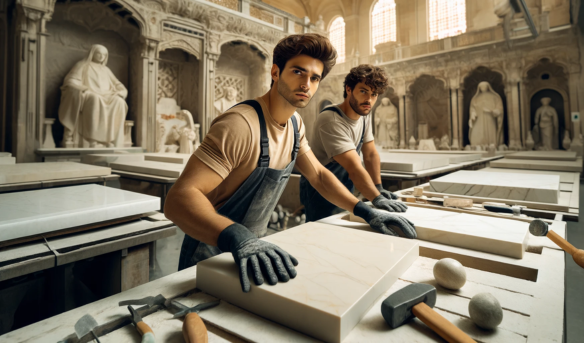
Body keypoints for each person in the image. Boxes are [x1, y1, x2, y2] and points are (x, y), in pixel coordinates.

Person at [164, 34, 416, 294]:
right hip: (211, 250)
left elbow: (318, 175)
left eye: (315, 78)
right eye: (298, 72)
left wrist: (364, 209)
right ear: (275, 72)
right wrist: (237, 237)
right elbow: (179, 200)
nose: (306, 84)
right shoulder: (240, 124)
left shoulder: (295, 125)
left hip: (255, 250)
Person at [300, 64, 409, 222]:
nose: (369, 100)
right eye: (363, 91)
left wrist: (378, 187)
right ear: (349, 89)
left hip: (344, 185)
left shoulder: (363, 114)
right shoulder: (330, 119)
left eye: (374, 94)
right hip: (320, 191)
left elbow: (370, 154)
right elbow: (354, 167)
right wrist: (376, 198)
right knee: (322, 235)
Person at [58, 44, 128, 148]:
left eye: (104, 54)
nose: (101, 56)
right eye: (98, 53)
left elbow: (118, 84)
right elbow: (70, 80)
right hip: (89, 94)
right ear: (92, 53)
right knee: (95, 99)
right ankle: (93, 140)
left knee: (119, 102)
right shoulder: (82, 65)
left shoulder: (106, 70)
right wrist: (83, 89)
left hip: (107, 95)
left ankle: (109, 139)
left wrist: (121, 91)